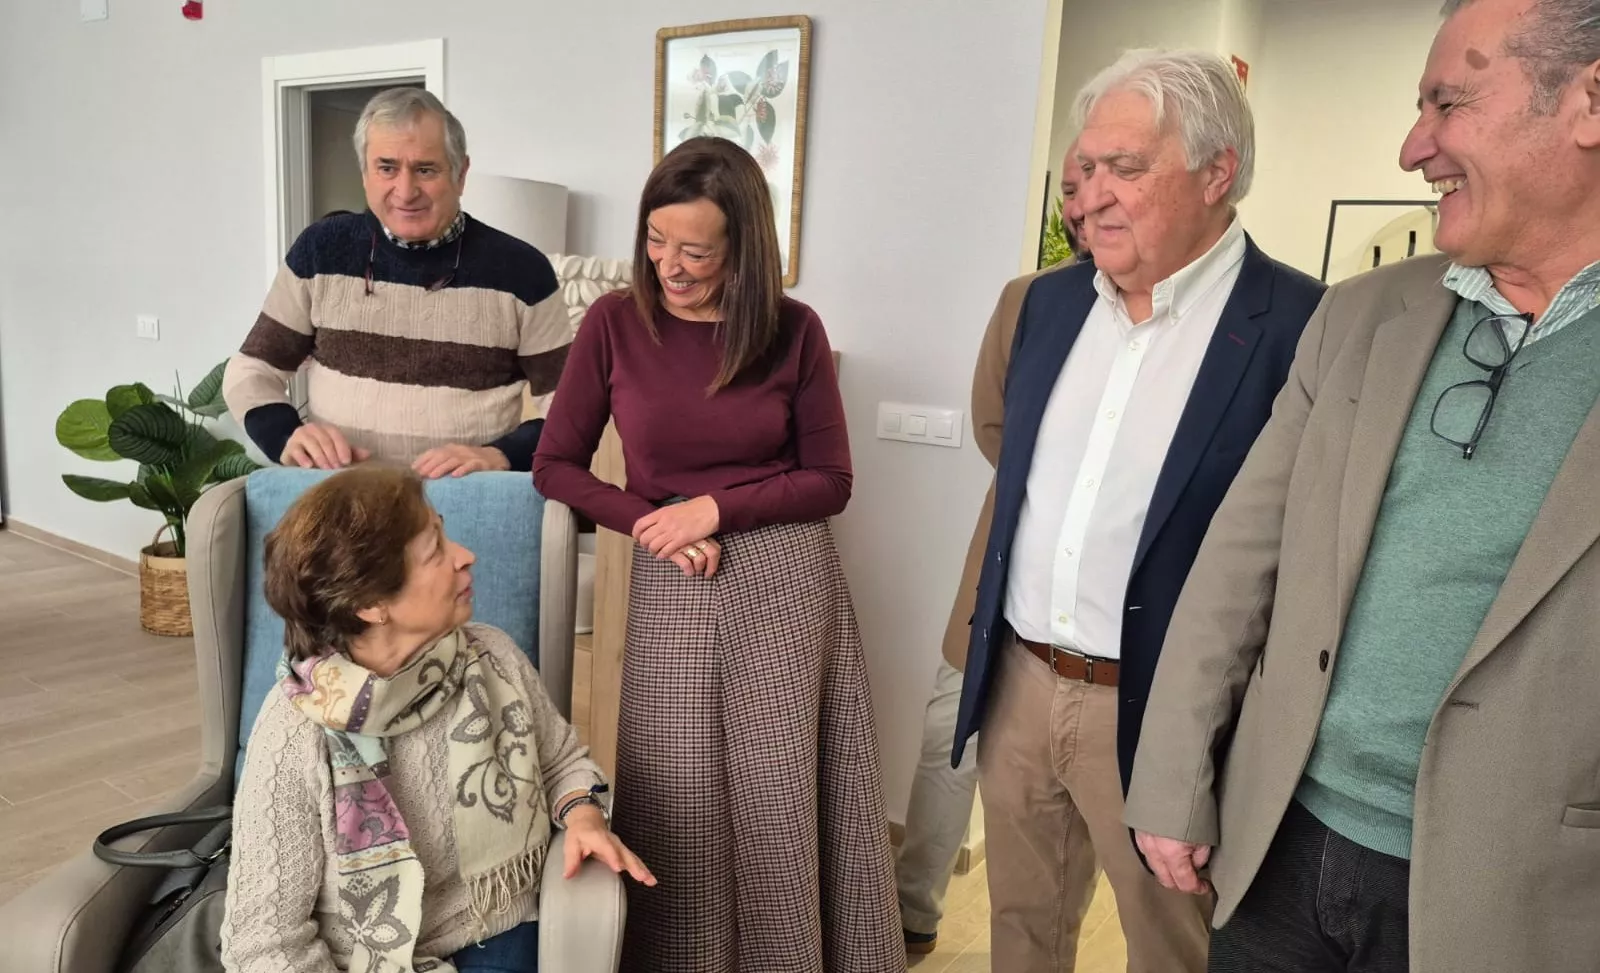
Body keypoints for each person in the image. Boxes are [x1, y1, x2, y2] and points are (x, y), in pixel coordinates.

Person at [1125, 1, 1600, 970]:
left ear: (1588, 103)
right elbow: (1239, 562)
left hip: (1519, 899)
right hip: (1280, 851)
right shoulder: (1360, 313)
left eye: (1447, 103)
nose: (1410, 148)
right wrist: (1173, 778)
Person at [949, 49, 1326, 973]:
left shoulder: (1304, 326)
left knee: (1173, 946)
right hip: (1021, 683)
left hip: (1170, 708)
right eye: (1084, 171)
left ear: (1217, 171)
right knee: (1021, 928)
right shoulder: (1037, 304)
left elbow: (1303, 539)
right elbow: (1009, 442)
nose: (1088, 196)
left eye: (1125, 169)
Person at [531, 136, 904, 972]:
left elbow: (830, 480)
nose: (671, 266)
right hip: (677, 579)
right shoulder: (613, 323)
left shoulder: (794, 330)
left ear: (744, 247)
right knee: (679, 803)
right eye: (657, 242)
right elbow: (554, 465)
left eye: (696, 250)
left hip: (787, 579)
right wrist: (650, 519)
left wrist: (711, 507)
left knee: (779, 801)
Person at [219, 464, 654, 973]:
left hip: (496, 924)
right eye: (436, 551)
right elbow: (265, 946)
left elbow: (560, 762)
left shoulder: (491, 657)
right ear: (372, 604)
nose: (465, 557)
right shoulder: (295, 732)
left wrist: (582, 814)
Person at [896, 143, 1093, 957]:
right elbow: (992, 425)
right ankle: (912, 906)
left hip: (1115, 623)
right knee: (954, 725)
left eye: (1105, 180)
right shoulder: (1031, 300)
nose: (1085, 202)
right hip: (1003, 567)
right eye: (1074, 186)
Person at [223, 87, 570, 479]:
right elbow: (251, 370)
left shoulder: (523, 270)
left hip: (464, 506)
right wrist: (285, 435)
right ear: (365, 173)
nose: (405, 192)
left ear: (461, 173)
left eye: (426, 169)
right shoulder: (320, 250)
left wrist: (502, 455)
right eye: (387, 167)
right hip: (343, 500)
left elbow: (572, 408)